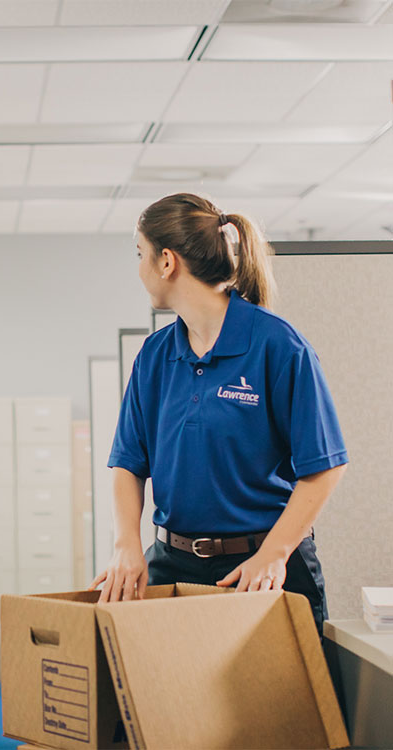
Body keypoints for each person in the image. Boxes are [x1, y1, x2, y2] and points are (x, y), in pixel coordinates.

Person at [90, 192, 347, 636]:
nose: (139, 269)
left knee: (277, 708)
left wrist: (273, 554)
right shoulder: (155, 356)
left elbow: (325, 467)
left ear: (166, 261)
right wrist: (126, 545)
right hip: (173, 568)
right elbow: (128, 464)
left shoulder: (277, 346)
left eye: (140, 254)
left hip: (260, 572)